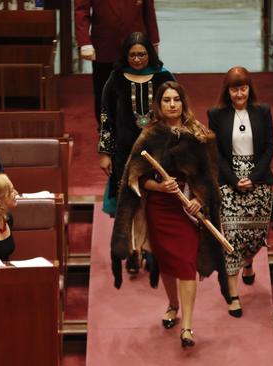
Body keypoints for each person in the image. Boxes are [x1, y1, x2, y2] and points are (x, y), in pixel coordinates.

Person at [111, 81, 227, 348]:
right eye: (167, 100)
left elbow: (210, 177)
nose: (172, 105)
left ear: (183, 103)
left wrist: (199, 200)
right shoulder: (149, 135)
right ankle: (172, 304)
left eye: (176, 100)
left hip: (187, 211)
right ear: (159, 105)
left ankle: (187, 326)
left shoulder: (201, 135)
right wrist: (160, 185)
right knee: (166, 262)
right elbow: (135, 176)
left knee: (186, 262)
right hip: (159, 209)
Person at [99, 32, 175, 273]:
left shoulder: (164, 77)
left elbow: (178, 113)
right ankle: (133, 251)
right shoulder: (116, 78)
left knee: (154, 200)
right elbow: (106, 117)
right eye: (132, 55)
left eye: (142, 54)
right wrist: (105, 153)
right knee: (131, 201)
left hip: (159, 150)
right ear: (126, 55)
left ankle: (152, 250)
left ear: (149, 54)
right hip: (124, 153)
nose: (138, 59)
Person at [207, 66, 273, 318]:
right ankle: (233, 296)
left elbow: (269, 148)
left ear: (250, 88)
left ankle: (249, 262)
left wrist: (253, 178)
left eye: (243, 88)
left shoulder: (262, 111)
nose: (239, 94)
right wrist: (235, 180)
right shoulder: (216, 114)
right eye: (234, 89)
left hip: (258, 179)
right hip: (229, 181)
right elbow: (216, 153)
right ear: (227, 90)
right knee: (233, 237)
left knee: (256, 234)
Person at [74, 0, 159, 130]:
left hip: (137, 44)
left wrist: (154, 41)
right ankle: (106, 130)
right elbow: (81, 11)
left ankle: (141, 129)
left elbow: (149, 10)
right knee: (105, 92)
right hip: (104, 44)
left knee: (140, 89)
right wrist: (84, 41)